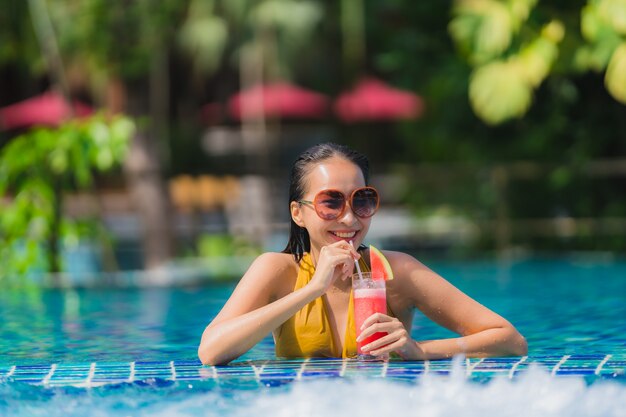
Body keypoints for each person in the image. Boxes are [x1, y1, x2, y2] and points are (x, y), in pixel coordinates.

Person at [198, 143, 527, 365]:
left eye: (362, 200)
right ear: (298, 213)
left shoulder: (398, 272)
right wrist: (313, 289)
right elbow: (211, 351)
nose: (349, 218)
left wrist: (419, 350)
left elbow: (510, 341)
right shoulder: (277, 270)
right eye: (331, 202)